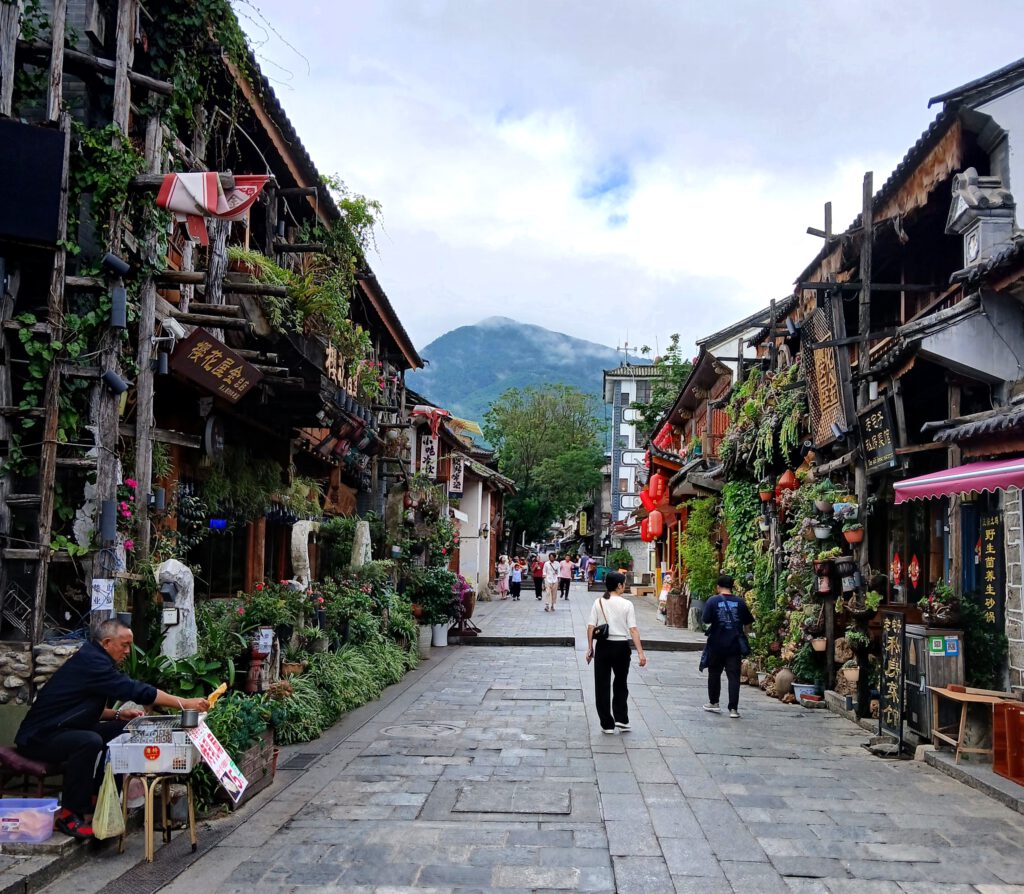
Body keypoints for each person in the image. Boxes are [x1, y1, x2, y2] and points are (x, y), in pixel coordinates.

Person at [15, 619, 210, 840]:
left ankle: (99, 799)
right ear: (107, 642)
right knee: (88, 741)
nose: (128, 651)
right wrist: (185, 703)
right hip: (38, 738)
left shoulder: (96, 660)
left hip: (63, 728)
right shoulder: (92, 662)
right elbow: (135, 690)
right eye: (124, 645)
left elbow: (80, 707)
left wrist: (118, 715)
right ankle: (69, 813)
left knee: (122, 730)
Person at [585, 571, 647, 733]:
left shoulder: (598, 602)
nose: (624, 586)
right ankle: (621, 718)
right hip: (621, 647)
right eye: (624, 583)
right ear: (619, 586)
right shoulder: (627, 604)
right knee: (621, 682)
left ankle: (607, 723)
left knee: (602, 684)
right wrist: (641, 653)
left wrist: (590, 648)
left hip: (603, 646)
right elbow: (633, 629)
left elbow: (591, 627)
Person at [701, 574, 754, 719]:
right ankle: (734, 709)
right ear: (732, 586)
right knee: (733, 677)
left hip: (716, 644)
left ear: (718, 587)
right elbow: (748, 621)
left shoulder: (713, 601)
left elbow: (705, 619)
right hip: (734, 645)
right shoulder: (740, 602)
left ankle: (714, 703)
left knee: (714, 673)